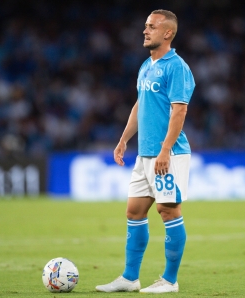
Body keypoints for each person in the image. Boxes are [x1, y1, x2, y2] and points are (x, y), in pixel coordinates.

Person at [95, 9, 195, 294]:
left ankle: (170, 280)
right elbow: (140, 105)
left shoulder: (177, 67)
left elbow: (180, 110)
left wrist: (165, 150)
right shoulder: (146, 65)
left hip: (169, 153)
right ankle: (129, 278)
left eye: (151, 26)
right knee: (135, 211)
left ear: (167, 33)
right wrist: (124, 138)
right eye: (145, 26)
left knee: (167, 210)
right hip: (145, 153)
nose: (145, 30)